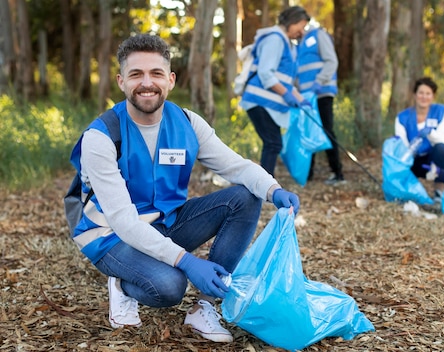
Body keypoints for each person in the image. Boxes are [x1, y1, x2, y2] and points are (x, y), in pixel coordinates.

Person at [68, 34, 300, 343]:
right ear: (121, 81)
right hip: (110, 234)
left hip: (166, 221)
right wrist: (187, 261)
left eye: (156, 73)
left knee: (246, 195)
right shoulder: (100, 137)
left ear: (171, 80)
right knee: (170, 286)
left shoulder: (188, 123)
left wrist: (273, 189)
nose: (146, 83)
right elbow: (124, 222)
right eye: (136, 74)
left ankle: (205, 305)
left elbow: (236, 166)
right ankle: (123, 284)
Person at [239, 6, 311, 176]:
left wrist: (300, 99)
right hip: (259, 100)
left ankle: (264, 187)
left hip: (265, 102)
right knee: (273, 143)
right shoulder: (275, 40)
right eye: (301, 26)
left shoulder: (287, 43)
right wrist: (286, 95)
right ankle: (264, 188)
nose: (302, 31)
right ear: (291, 22)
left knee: (273, 143)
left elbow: (285, 81)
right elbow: (266, 74)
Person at [297, 24, 345, 185]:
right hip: (306, 97)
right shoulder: (300, 43)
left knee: (326, 129)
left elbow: (331, 61)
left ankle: (337, 172)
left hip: (322, 92)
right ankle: (308, 173)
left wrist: (319, 81)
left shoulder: (318, 35)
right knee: (309, 132)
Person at [395, 77, 444, 201]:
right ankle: (406, 190)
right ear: (415, 95)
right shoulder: (402, 117)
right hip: (412, 160)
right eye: (421, 93)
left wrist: (430, 132)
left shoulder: (440, 112)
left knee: (442, 149)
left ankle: (439, 191)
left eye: (428, 93)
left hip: (432, 160)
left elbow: (442, 139)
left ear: (433, 96)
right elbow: (401, 144)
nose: (424, 97)